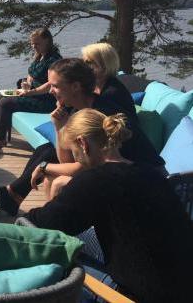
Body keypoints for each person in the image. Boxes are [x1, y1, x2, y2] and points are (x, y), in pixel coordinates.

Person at [26, 109, 192, 303]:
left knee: (59, 260)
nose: (76, 159)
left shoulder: (95, 181)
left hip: (136, 295)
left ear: (83, 143)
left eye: (74, 152)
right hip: (184, 285)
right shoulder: (150, 173)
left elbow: (43, 224)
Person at [0, 58, 163, 215]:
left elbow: (83, 166)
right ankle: (14, 196)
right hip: (118, 172)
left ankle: (34, 210)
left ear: (76, 86)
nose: (50, 91)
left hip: (145, 179)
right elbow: (67, 160)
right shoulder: (76, 108)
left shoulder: (99, 115)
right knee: (47, 149)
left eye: (55, 85)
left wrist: (44, 167)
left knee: (57, 179)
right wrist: (59, 128)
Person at [0, 28, 62, 153]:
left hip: (45, 100)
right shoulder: (40, 56)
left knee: (5, 103)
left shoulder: (54, 60)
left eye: (37, 43)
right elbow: (31, 73)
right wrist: (27, 83)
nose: (34, 46)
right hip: (33, 94)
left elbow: (50, 85)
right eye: (32, 43)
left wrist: (30, 92)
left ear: (47, 41)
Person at [81, 42, 136, 120]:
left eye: (88, 62)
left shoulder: (111, 94)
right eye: (82, 62)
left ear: (104, 66)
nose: (83, 66)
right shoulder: (95, 86)